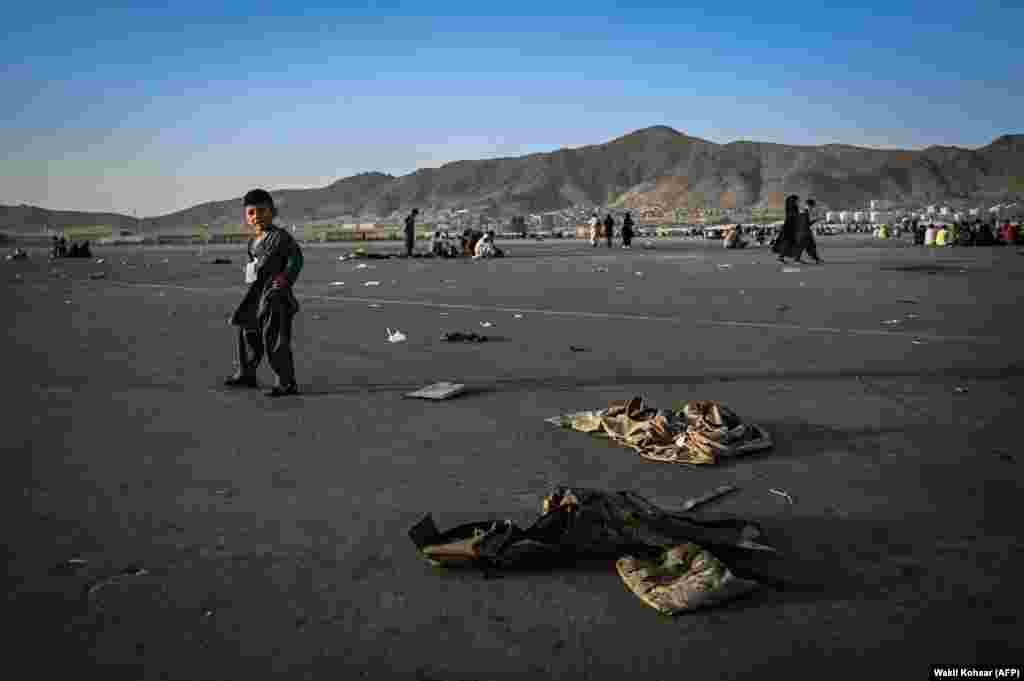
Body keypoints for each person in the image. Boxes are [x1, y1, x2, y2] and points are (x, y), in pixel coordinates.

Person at [225, 189, 304, 397]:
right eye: (251, 212)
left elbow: (296, 259)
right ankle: (247, 373)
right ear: (246, 216)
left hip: (275, 296)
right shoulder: (253, 242)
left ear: (273, 212)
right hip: (255, 295)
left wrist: (284, 279)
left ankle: (286, 382)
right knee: (247, 331)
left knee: (275, 339)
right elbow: (254, 264)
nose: (256, 216)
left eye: (262, 211)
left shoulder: (281, 238)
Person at [771, 195, 801, 263]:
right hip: (789, 228)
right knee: (788, 243)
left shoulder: (792, 207)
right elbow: (792, 217)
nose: (798, 202)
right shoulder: (792, 208)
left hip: (791, 227)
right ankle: (783, 257)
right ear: (793, 201)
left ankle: (784, 257)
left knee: (790, 243)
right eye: (797, 200)